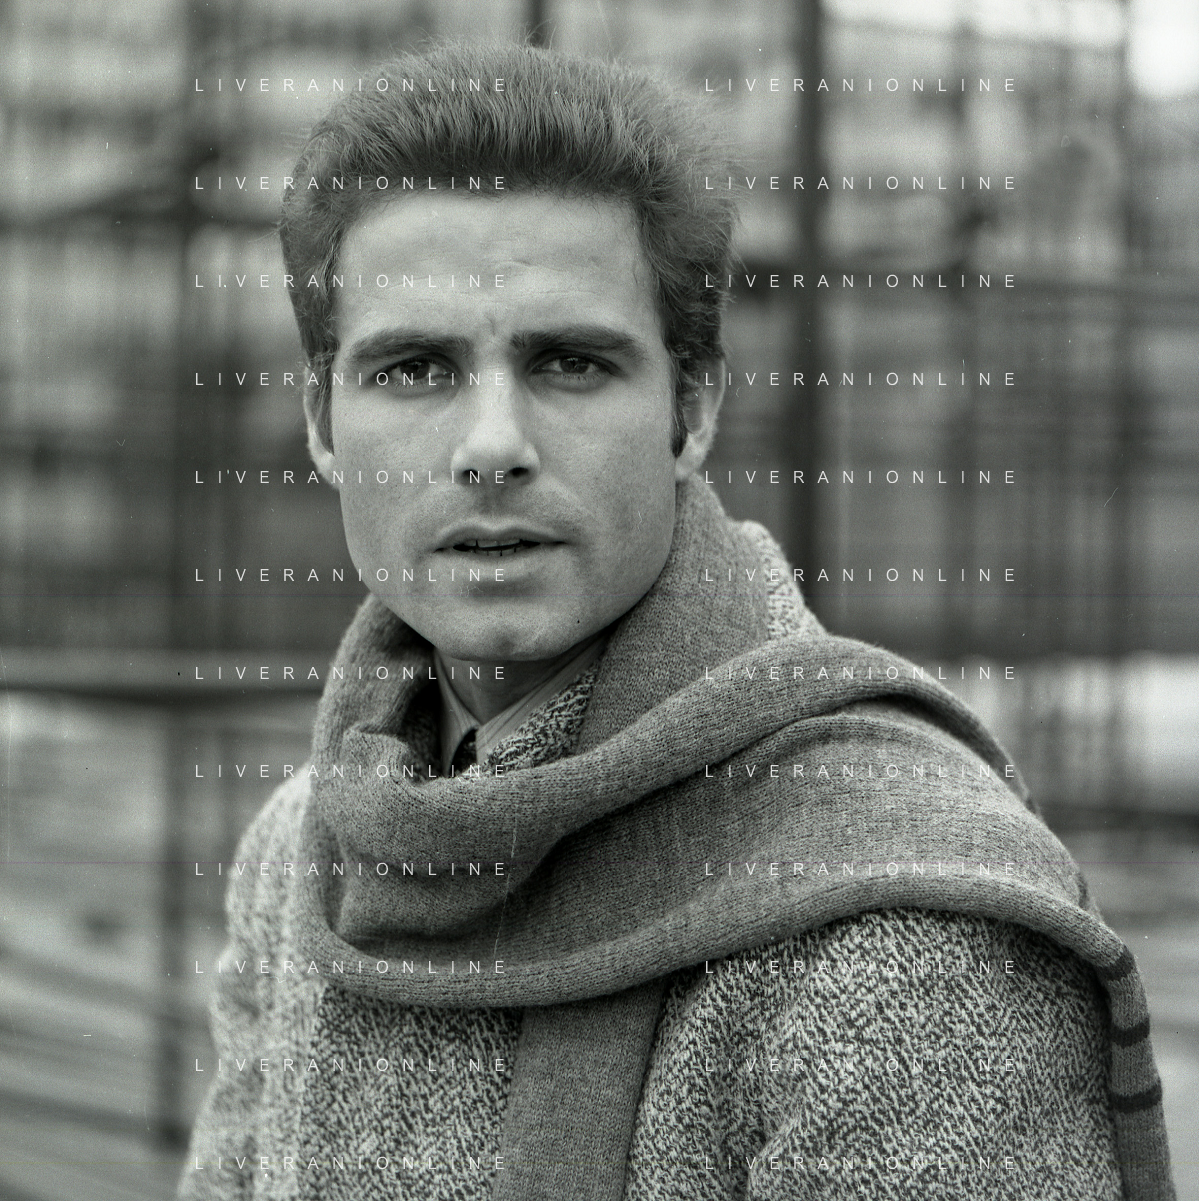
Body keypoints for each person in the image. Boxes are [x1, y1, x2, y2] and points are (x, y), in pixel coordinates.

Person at [180, 41, 1175, 1201]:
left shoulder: (894, 920)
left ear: (692, 407)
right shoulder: (303, 856)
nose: (492, 445)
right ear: (320, 421)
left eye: (567, 362)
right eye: (413, 368)